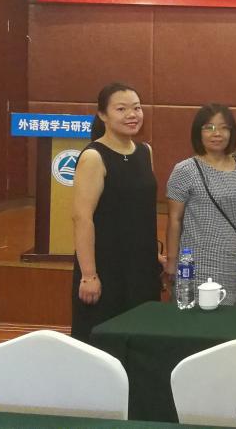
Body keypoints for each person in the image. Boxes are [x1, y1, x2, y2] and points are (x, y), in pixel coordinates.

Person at [71, 83, 161, 341]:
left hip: (141, 266)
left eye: (137, 108)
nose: (132, 115)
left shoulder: (145, 152)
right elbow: (82, 218)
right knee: (103, 341)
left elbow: (141, 210)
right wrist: (89, 275)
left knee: (141, 338)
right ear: (103, 115)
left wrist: (153, 254)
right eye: (121, 109)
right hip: (106, 267)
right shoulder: (94, 156)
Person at [165, 104, 236, 306]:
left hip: (235, 262)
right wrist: (172, 261)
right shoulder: (185, 170)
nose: (217, 134)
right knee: (197, 318)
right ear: (199, 132)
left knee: (231, 318)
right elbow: (174, 219)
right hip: (196, 262)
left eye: (223, 128)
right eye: (209, 127)